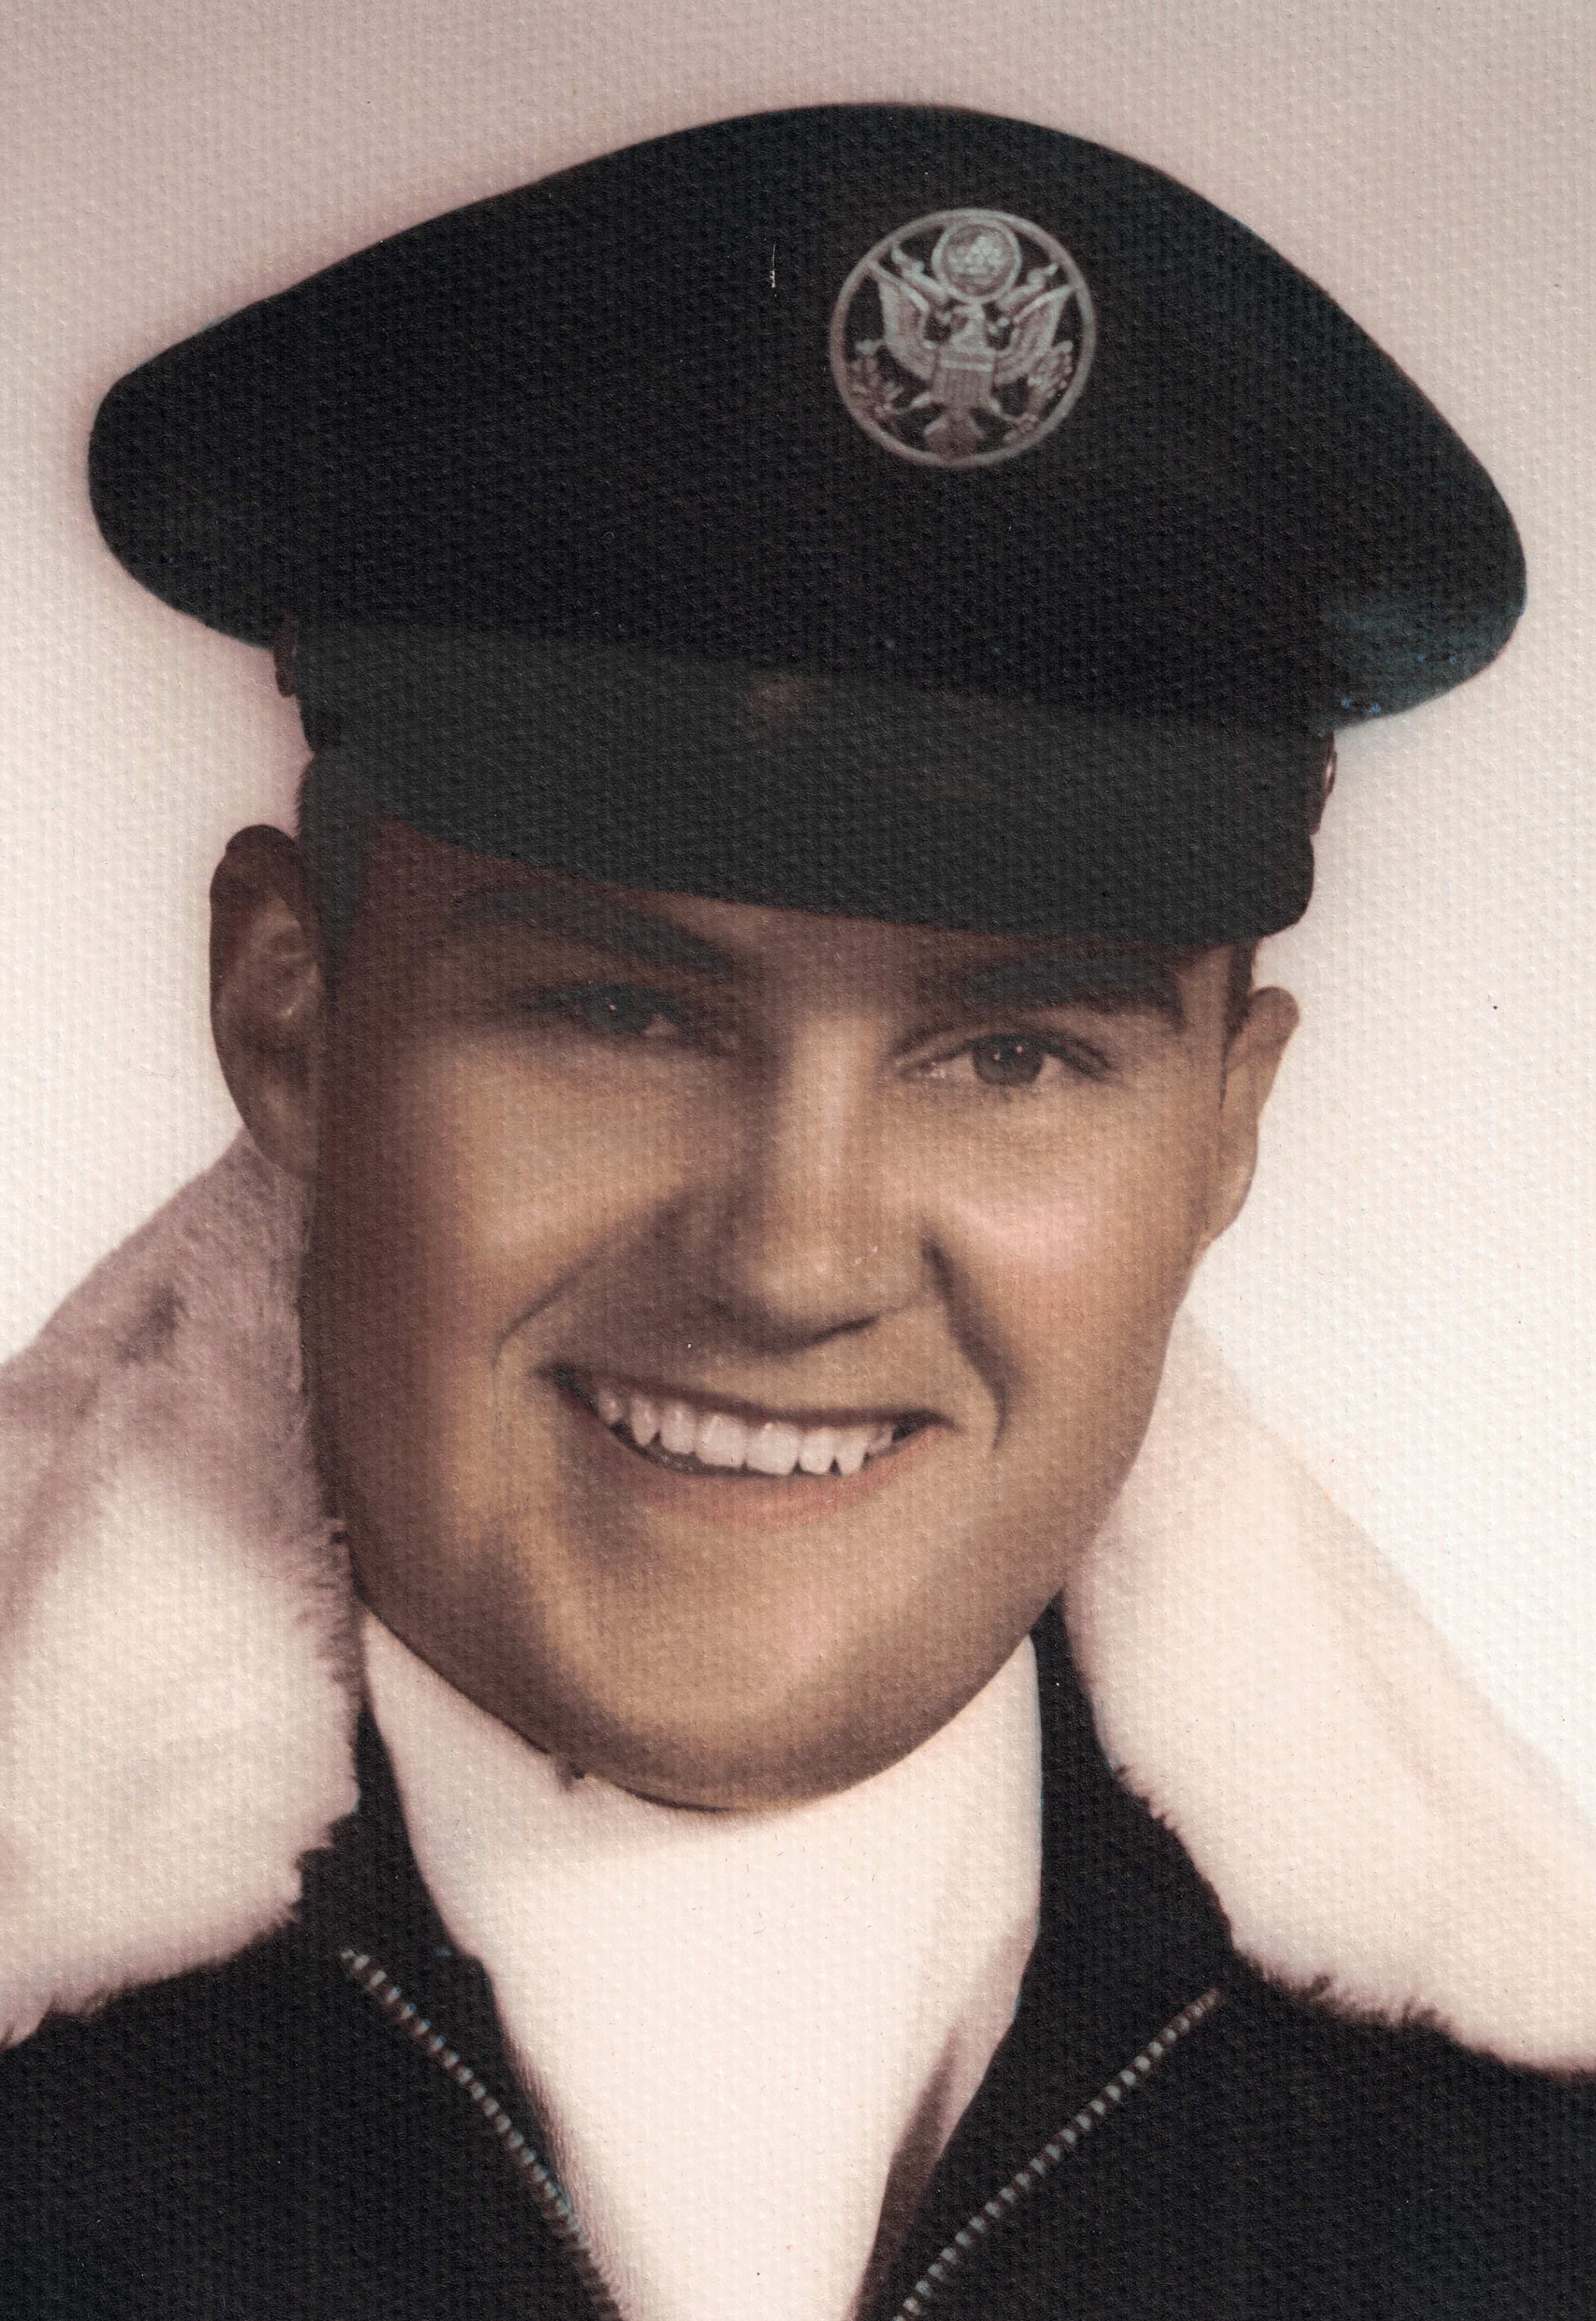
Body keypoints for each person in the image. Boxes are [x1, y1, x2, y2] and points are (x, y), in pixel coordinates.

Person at [0, 103, 1592, 2321]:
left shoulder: (1524, 2200)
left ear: (1226, 1130)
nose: (796, 1259)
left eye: (1014, 1055)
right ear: (289, 1020)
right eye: (620, 1011)